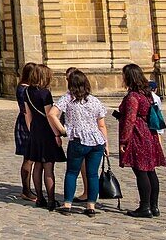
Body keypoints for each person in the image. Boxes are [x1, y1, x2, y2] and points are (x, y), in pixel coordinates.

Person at [48, 69, 108, 216]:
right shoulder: (94, 100)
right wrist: (106, 143)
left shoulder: (68, 98)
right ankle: (91, 206)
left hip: (78, 140)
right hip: (96, 141)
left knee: (72, 173)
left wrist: (63, 130)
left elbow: (51, 114)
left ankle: (67, 204)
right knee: (92, 174)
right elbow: (101, 125)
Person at [117, 63, 166, 218]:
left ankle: (145, 207)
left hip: (138, 134)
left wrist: (124, 140)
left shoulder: (133, 96)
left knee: (141, 171)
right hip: (149, 133)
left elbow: (130, 119)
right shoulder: (147, 93)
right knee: (150, 170)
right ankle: (154, 206)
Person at [24, 63, 65, 210]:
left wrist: (32, 131)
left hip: (35, 130)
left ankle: (39, 198)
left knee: (37, 165)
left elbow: (27, 115)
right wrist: (57, 134)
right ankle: (51, 199)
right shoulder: (45, 93)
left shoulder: (26, 91)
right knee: (48, 167)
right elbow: (49, 115)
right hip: (47, 131)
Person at [14, 62, 37, 201]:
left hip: (25, 122)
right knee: (29, 158)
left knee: (30, 158)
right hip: (27, 123)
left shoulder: (24, 87)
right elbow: (27, 110)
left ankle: (28, 188)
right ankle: (26, 190)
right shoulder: (24, 90)